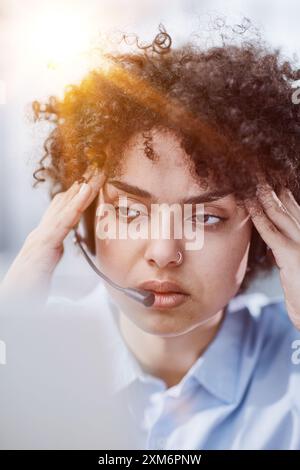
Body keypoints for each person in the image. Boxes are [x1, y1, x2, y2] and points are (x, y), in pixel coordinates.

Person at [1, 21, 300, 449]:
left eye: (205, 218)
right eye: (128, 210)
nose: (163, 252)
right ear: (83, 215)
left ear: (263, 233)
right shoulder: (28, 354)